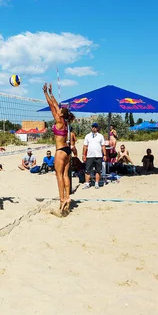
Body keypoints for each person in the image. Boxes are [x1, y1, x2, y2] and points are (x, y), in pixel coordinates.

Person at [43, 83, 75, 217]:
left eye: (60, 109)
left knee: (59, 176)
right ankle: (68, 197)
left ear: (61, 113)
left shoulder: (59, 120)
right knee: (66, 175)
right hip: (68, 151)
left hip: (61, 151)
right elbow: (56, 105)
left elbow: (52, 106)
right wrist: (51, 93)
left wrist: (45, 93)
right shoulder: (65, 121)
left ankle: (62, 200)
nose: (58, 109)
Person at [82, 123, 106, 189]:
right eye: (93, 127)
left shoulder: (100, 136)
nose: (94, 128)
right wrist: (83, 155)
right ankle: (87, 183)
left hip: (98, 155)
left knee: (98, 170)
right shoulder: (87, 136)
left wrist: (105, 155)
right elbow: (85, 146)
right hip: (89, 156)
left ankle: (96, 183)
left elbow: (103, 146)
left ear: (97, 128)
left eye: (95, 127)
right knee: (87, 170)